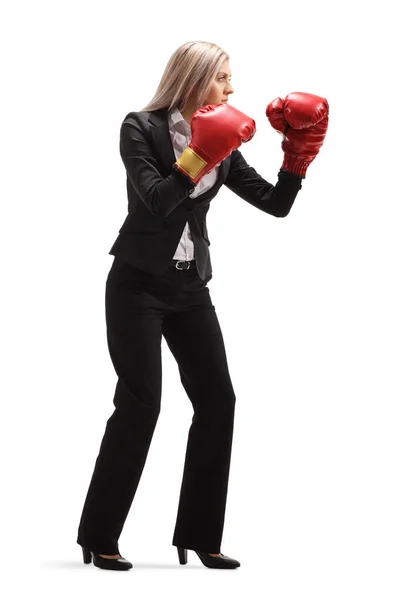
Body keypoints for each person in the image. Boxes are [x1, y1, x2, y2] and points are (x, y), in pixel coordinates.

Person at [76, 40, 329, 571]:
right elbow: (156, 199)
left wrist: (297, 156)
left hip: (190, 288)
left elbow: (274, 205)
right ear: (193, 80)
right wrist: (199, 152)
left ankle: (200, 534)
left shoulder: (225, 139)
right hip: (137, 285)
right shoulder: (139, 127)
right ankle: (99, 534)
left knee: (219, 401)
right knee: (142, 405)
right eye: (222, 78)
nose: (232, 89)